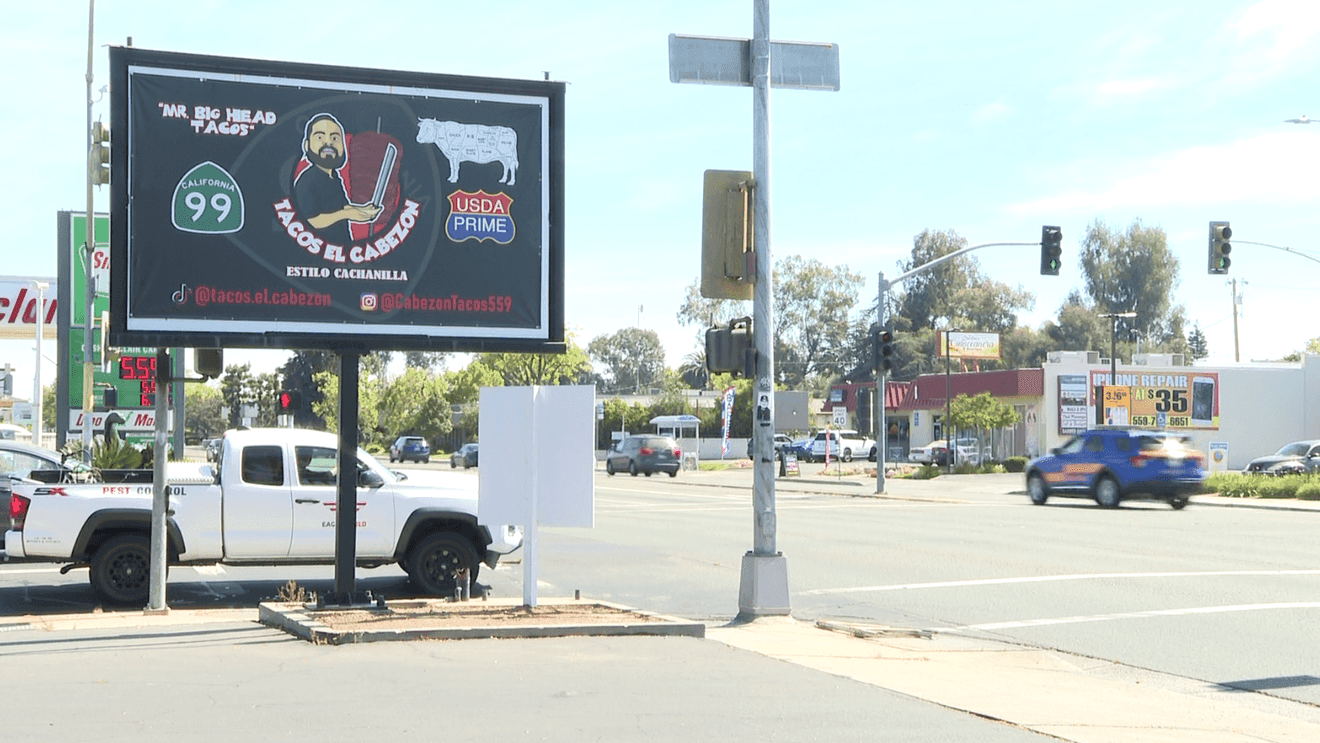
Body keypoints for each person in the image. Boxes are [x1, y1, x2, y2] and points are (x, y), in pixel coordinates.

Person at [293, 113, 380, 242]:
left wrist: (365, 210)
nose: (328, 142)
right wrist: (347, 214)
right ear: (306, 145)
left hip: (340, 252)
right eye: (320, 137)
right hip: (317, 251)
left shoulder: (334, 177)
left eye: (335, 138)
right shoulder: (307, 180)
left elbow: (342, 206)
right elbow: (309, 220)